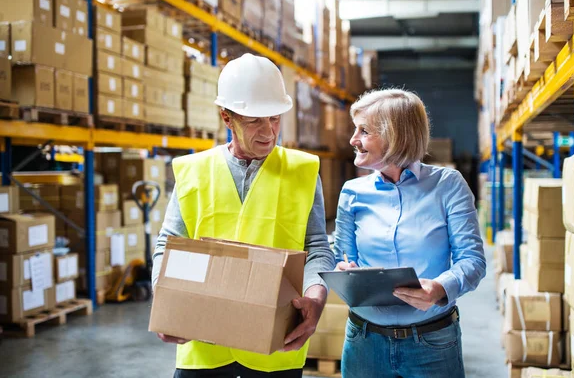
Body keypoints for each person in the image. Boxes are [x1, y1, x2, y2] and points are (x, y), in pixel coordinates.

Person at [152, 53, 335, 378]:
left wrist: (316, 295)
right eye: (254, 120)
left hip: (274, 348)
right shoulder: (193, 171)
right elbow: (169, 245)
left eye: (275, 118)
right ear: (226, 117)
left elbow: (317, 246)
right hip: (203, 346)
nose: (268, 131)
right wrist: (164, 302)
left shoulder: (304, 171)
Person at [334, 89, 486, 378]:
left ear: (395, 136)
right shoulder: (352, 193)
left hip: (432, 342)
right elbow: (342, 259)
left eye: (364, 131)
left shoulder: (448, 185)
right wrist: (344, 271)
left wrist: (439, 289)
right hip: (364, 342)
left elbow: (473, 261)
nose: (353, 140)